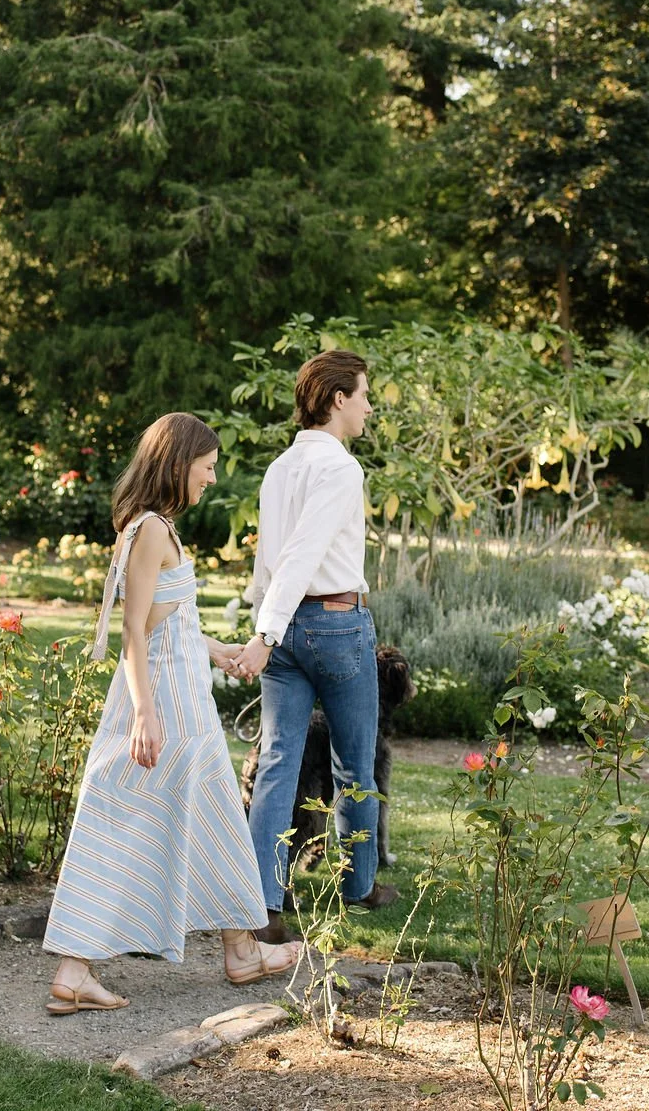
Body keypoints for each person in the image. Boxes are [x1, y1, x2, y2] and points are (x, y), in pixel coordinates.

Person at [43, 412, 303, 1016]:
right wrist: (143, 713)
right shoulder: (151, 529)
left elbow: (168, 621)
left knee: (203, 824)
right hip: (166, 707)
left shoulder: (156, 528)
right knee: (134, 823)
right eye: (207, 467)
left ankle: (235, 950)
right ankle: (80, 967)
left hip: (181, 699)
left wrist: (222, 651)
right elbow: (134, 630)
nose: (212, 479)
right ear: (179, 463)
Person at [229, 349, 398, 944]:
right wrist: (264, 632)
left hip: (285, 631)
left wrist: (264, 626)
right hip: (334, 625)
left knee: (277, 762)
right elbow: (300, 555)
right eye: (365, 395)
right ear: (337, 399)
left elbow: (267, 558)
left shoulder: (279, 468)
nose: (370, 407)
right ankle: (360, 886)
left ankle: (263, 906)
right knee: (355, 760)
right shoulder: (341, 468)